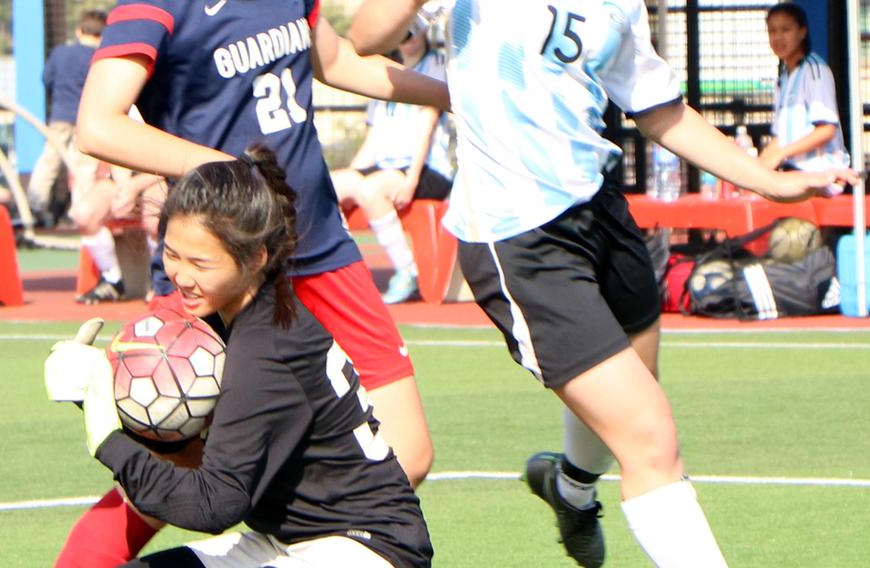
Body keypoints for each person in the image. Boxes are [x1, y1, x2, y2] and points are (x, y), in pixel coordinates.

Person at [348, 2, 857, 567]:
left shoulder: (619, 5)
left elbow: (661, 110)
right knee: (650, 438)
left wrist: (768, 182)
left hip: (600, 211)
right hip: (519, 239)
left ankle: (570, 489)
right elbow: (367, 36)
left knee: (637, 394)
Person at [60, 1, 447, 564]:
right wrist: (234, 179)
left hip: (319, 246)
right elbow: (97, 125)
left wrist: (456, 96)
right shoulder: (156, 4)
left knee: (406, 454)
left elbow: (336, 60)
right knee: (175, 471)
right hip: (224, 266)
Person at [45, 145, 433, 568]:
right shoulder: (233, 316)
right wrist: (105, 390)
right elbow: (190, 455)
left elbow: (213, 506)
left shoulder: (266, 348)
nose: (182, 276)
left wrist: (105, 435)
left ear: (256, 258)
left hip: (365, 548)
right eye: (172, 255)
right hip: (287, 539)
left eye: (201, 263)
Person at [331, 29, 453, 304]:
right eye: (402, 34)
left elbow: (427, 127)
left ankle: (406, 272)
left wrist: (411, 180)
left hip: (426, 170)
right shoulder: (383, 71)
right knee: (331, 186)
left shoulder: (435, 65)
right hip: (386, 167)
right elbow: (372, 139)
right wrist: (352, 174)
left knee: (372, 190)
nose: (407, 39)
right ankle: (343, 272)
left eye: (412, 33)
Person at [26, 10, 107, 228]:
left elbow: (46, 78)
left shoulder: (61, 53)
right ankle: (80, 213)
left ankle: (34, 206)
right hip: (86, 119)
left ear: (79, 31)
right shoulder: (99, 58)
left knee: (50, 159)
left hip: (60, 115)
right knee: (84, 166)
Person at [758, 3, 850, 173]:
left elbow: (826, 129)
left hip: (824, 176)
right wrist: (758, 166)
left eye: (786, 30)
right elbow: (780, 137)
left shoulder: (815, 70)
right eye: (772, 31)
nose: (778, 38)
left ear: (802, 32)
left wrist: (781, 154)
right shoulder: (784, 78)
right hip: (795, 173)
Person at [69, 164, 166, 304]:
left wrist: (134, 186)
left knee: (154, 219)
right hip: (118, 182)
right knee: (83, 214)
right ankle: (112, 279)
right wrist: (122, 190)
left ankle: (160, 279)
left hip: (157, 178)